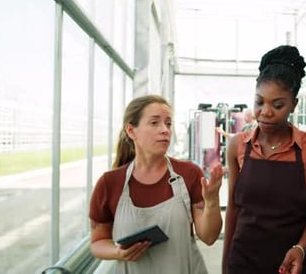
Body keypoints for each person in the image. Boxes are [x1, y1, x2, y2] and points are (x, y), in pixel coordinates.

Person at [89, 94, 224, 274]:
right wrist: (118, 252)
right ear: (131, 131)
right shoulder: (110, 183)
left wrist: (213, 201)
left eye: (168, 124)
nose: (165, 130)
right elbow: (97, 242)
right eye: (154, 123)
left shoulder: (189, 174)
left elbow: (208, 237)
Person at [222, 45, 306, 274]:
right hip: (242, 264)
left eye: (277, 105)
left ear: (294, 104)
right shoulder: (237, 146)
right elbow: (233, 209)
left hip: (291, 266)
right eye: (259, 102)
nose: (266, 112)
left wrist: (301, 248)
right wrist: (224, 266)